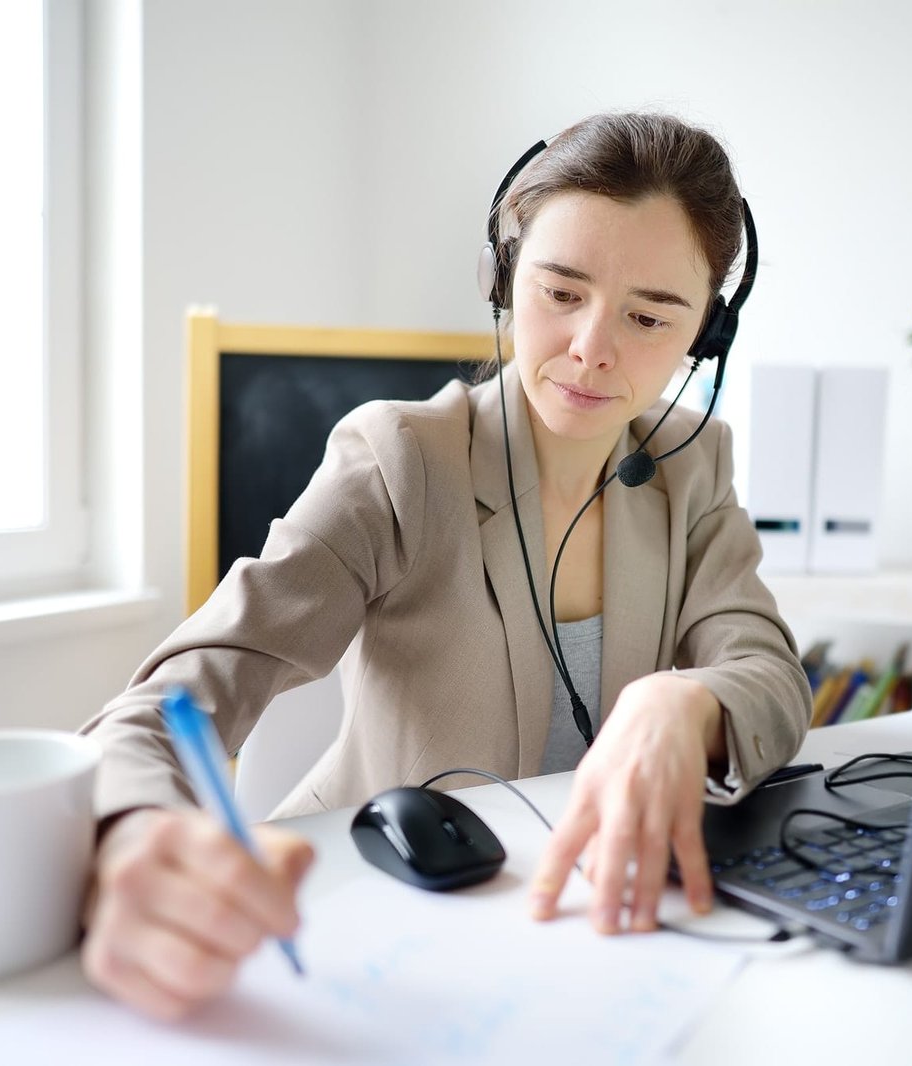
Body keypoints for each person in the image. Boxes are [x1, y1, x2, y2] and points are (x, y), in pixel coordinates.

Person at [77, 111, 811, 1020]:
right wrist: (130, 831)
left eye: (650, 315)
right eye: (559, 292)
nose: (591, 347)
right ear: (504, 281)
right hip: (383, 926)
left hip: (596, 943)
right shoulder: (401, 459)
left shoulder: (692, 466)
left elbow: (771, 672)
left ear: (707, 333)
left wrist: (688, 700)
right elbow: (167, 699)